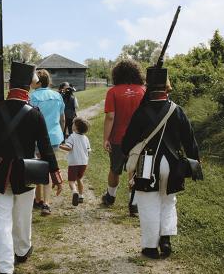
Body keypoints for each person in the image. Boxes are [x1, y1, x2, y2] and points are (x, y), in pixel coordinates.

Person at [0, 61, 63, 274]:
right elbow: (45, 148)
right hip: (26, 172)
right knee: (23, 216)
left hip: (0, 172)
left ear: (10, 84)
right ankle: (22, 251)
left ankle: (5, 269)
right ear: (28, 86)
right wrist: (55, 173)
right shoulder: (34, 114)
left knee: (2, 220)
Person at [122, 68, 200, 259]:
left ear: (148, 87)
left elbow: (127, 144)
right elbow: (189, 140)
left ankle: (150, 247)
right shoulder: (177, 109)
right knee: (168, 202)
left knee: (148, 204)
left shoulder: (141, 112)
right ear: (167, 87)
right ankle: (165, 240)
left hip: (147, 164)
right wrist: (195, 160)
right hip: (173, 164)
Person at [101, 60, 146, 214]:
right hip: (139, 139)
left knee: (115, 169)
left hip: (118, 139)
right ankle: (133, 204)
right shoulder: (143, 91)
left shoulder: (112, 92)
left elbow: (110, 117)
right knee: (134, 170)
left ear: (117, 74)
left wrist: (105, 138)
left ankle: (110, 197)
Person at [30, 69, 65, 216]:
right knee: (49, 166)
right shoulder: (57, 95)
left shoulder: (33, 97)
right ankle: (46, 201)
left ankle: (40, 200)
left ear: (38, 81)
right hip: (55, 136)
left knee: (38, 167)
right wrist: (62, 132)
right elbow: (62, 118)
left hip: (37, 137)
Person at [59, 117, 91, 206]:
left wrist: (60, 146)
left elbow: (69, 147)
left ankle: (74, 192)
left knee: (71, 181)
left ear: (75, 127)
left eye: (73, 124)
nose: (72, 125)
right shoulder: (86, 138)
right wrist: (86, 160)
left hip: (74, 163)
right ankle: (81, 196)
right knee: (79, 179)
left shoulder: (72, 136)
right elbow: (88, 151)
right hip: (84, 162)